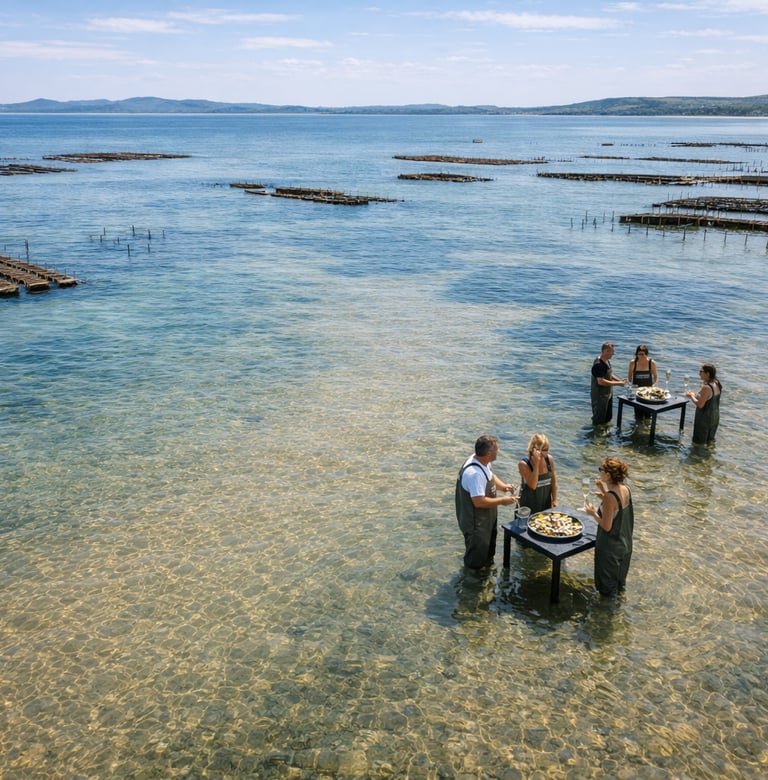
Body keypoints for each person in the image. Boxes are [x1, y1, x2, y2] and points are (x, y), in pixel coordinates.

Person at [455, 435, 517, 569]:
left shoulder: (481, 460)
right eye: (496, 450)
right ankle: (473, 584)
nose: (498, 452)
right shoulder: (474, 474)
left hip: (486, 519)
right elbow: (479, 502)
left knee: (488, 552)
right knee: (475, 560)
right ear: (489, 453)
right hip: (476, 524)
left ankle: (487, 576)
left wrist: (503, 487)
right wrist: (502, 501)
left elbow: (491, 476)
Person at [584, 457, 634, 597]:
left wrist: (593, 513)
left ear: (608, 475)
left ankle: (605, 616)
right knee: (619, 586)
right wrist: (604, 491)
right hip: (625, 546)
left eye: (601, 469)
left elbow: (606, 526)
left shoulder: (609, 498)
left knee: (606, 591)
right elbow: (617, 508)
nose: (599, 472)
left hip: (610, 550)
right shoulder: (626, 489)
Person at [517, 434, 558, 515]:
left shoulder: (549, 459)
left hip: (545, 505)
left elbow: (554, 482)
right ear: (532, 449)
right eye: (540, 450)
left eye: (545, 450)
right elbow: (533, 485)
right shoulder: (524, 464)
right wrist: (536, 465)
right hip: (528, 508)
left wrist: (554, 500)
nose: (543, 453)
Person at [685, 363, 722, 445]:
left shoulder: (707, 387)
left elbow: (700, 405)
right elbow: (708, 398)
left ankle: (697, 457)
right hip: (714, 418)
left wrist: (691, 396)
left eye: (701, 371)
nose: (699, 373)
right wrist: (696, 395)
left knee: (698, 444)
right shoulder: (717, 383)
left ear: (707, 374)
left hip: (704, 420)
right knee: (710, 442)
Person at [591, 341, 626, 426]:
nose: (613, 354)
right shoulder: (598, 365)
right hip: (600, 396)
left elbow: (609, 374)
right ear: (606, 351)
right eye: (612, 352)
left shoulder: (606, 360)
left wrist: (619, 381)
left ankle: (606, 435)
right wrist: (618, 384)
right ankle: (597, 436)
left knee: (607, 417)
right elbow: (601, 381)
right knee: (599, 419)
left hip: (607, 394)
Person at [627, 344, 658, 419]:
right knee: (638, 415)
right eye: (639, 354)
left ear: (647, 354)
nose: (641, 356)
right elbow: (629, 378)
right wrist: (628, 385)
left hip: (648, 392)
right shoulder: (633, 363)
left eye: (643, 354)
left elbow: (656, 376)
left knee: (648, 415)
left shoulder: (651, 363)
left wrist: (655, 385)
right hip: (637, 392)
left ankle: (646, 429)